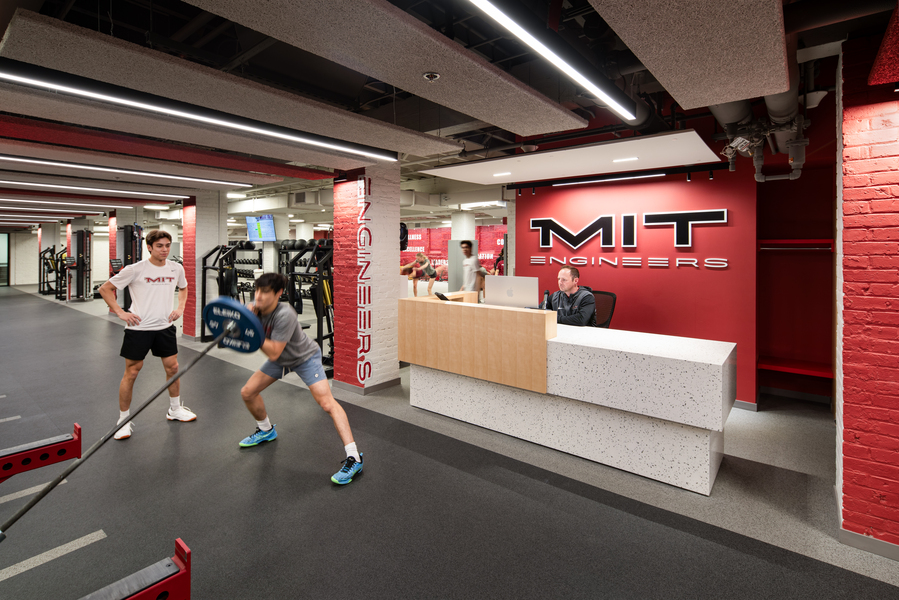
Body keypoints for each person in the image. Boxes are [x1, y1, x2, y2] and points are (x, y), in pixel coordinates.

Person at [239, 273, 363, 485]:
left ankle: (354, 457)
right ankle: (266, 429)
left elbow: (273, 352)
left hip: (304, 358)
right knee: (248, 392)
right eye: (257, 290)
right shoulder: (254, 306)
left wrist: (252, 329)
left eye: (265, 292)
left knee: (327, 403)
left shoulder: (285, 313)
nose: (258, 296)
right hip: (281, 359)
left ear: (278, 293)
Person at [98, 229, 195, 441]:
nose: (165, 250)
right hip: (139, 328)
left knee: (173, 368)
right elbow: (105, 289)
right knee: (132, 373)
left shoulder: (175, 268)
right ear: (149, 247)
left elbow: (184, 288)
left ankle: (175, 410)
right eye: (160, 246)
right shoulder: (136, 269)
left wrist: (180, 308)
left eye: (168, 246)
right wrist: (120, 312)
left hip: (164, 327)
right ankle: (123, 421)